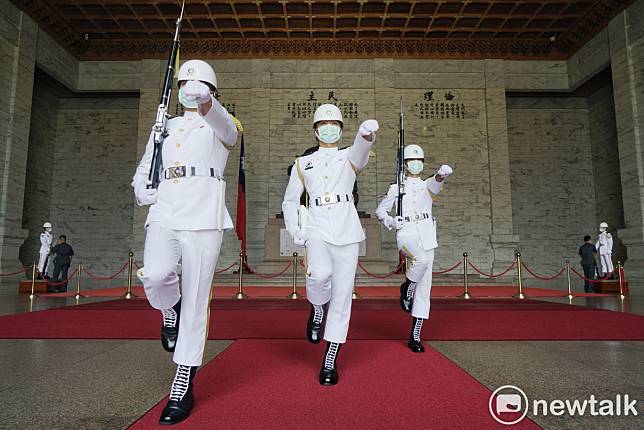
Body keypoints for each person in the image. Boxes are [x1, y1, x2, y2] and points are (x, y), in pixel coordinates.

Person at [132, 59, 238, 425]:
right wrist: (141, 185)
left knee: (195, 298)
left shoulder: (223, 122)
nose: (188, 91)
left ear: (210, 89)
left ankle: (183, 381)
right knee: (156, 275)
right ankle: (167, 311)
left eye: (197, 86)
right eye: (184, 86)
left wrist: (207, 103)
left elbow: (229, 131)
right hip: (166, 205)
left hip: (203, 212)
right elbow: (148, 163)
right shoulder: (165, 125)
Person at [282, 103, 378, 386]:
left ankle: (330, 357)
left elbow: (361, 152)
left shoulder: (349, 156)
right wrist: (293, 229)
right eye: (324, 124)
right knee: (319, 274)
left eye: (335, 124)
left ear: (340, 129)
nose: (329, 128)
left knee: (343, 295)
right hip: (317, 226)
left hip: (346, 228)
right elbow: (290, 200)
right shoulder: (302, 163)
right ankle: (317, 308)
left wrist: (365, 135)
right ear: (315, 130)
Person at [375, 144, 452, 353]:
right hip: (406, 233)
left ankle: (415, 335)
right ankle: (407, 286)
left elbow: (436, 184)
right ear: (405, 164)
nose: (416, 164)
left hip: (427, 235)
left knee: (424, 288)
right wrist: (391, 221)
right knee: (421, 261)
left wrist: (441, 175)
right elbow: (380, 210)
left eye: (419, 161)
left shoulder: (427, 184)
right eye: (412, 161)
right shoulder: (396, 187)